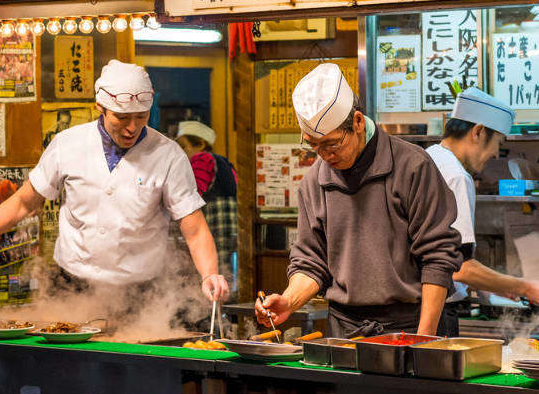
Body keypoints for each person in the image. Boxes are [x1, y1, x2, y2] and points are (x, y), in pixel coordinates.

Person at [0, 59, 229, 303]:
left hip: (141, 293)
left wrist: (209, 274)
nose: (132, 127)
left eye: (141, 117)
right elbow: (24, 203)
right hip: (72, 285)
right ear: (99, 108)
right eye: (121, 117)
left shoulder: (168, 154)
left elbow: (194, 228)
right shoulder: (68, 144)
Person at [255, 63, 463, 338]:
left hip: (410, 324)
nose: (323, 155)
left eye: (331, 144)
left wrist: (423, 340)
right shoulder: (314, 182)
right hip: (344, 330)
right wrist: (289, 301)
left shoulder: (412, 167)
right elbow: (311, 261)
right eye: (312, 145)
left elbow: (437, 258)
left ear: (357, 122)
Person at [426, 87, 539, 336]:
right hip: (438, 313)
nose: (497, 154)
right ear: (478, 132)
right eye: (498, 143)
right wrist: (526, 288)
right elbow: (460, 267)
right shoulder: (456, 175)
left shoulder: (429, 158)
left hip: (416, 310)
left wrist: (497, 285)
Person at [175, 121, 238, 291]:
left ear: (201, 144)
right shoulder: (225, 162)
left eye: (183, 146)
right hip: (232, 224)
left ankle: (210, 305)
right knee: (224, 270)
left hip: (214, 223)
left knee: (210, 270)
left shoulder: (201, 158)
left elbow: (193, 193)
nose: (180, 152)